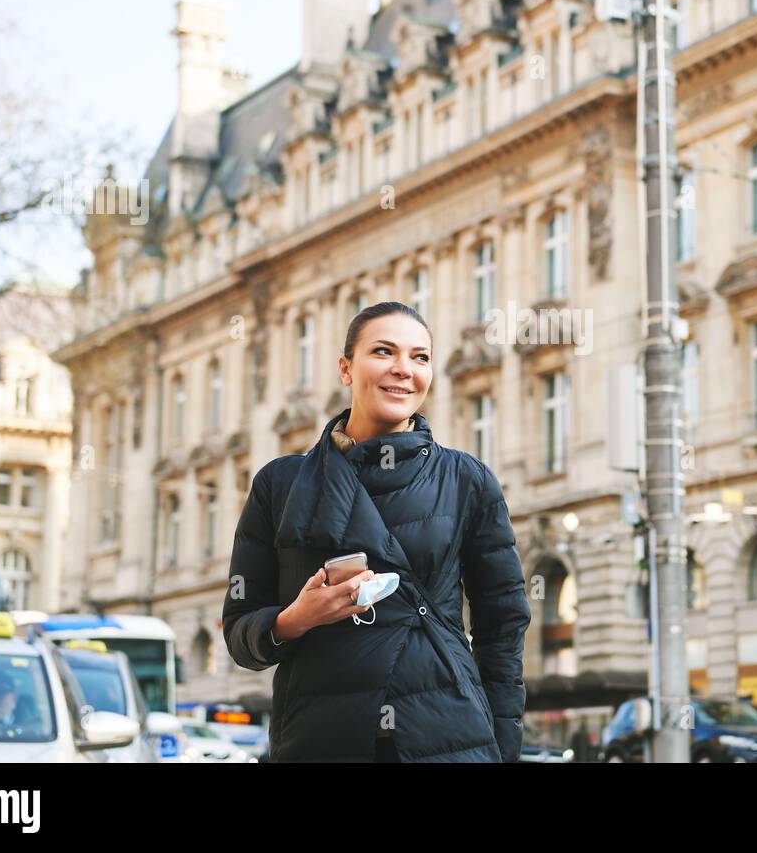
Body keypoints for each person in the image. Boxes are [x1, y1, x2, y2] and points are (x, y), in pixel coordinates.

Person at [223, 301, 531, 762]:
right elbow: (240, 635)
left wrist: (503, 746)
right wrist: (296, 618)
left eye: (420, 357)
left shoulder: (467, 479)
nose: (404, 369)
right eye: (384, 352)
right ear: (346, 369)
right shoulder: (280, 483)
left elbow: (503, 624)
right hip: (320, 736)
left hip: (446, 732)